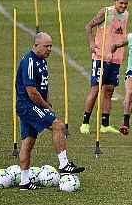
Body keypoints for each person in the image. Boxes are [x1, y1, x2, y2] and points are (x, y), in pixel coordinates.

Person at [16, 33, 84, 190]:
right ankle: (64, 164)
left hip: (32, 105)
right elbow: (31, 91)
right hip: (28, 105)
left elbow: (43, 86)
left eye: (51, 46)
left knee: (28, 142)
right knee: (58, 125)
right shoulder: (30, 62)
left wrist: (48, 101)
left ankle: (24, 182)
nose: (50, 49)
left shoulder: (42, 61)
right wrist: (46, 106)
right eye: (46, 46)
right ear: (36, 45)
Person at [80, 0, 129, 134]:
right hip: (101, 57)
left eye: (126, 3)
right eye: (121, 3)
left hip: (116, 58)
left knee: (109, 90)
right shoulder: (106, 12)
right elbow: (88, 26)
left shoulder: (126, 14)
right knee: (95, 89)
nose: (123, 6)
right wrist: (91, 44)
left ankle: (105, 124)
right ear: (115, 1)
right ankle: (85, 122)